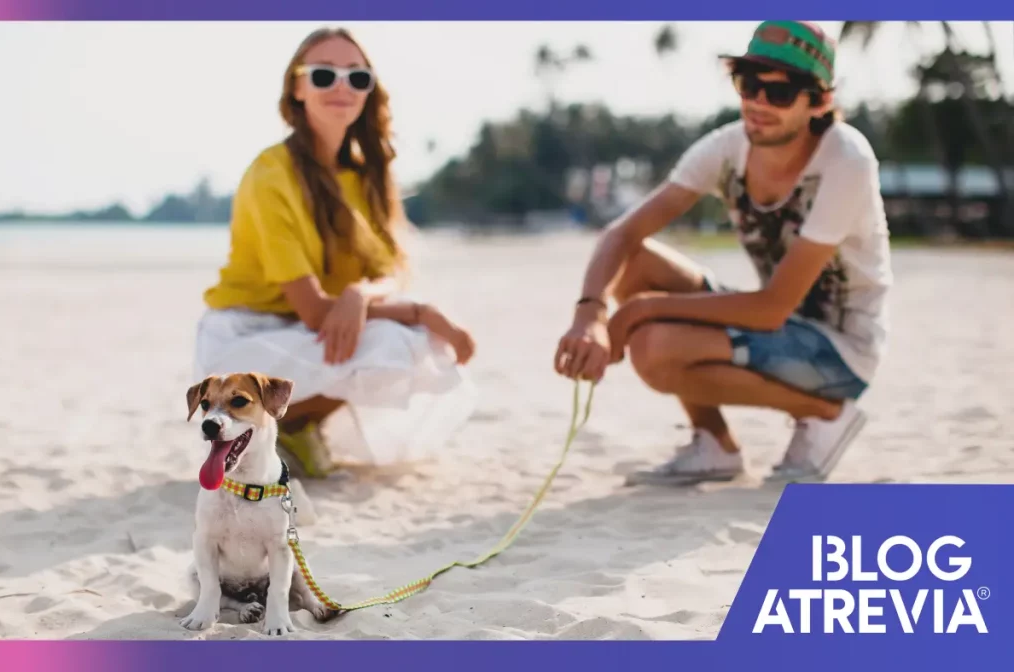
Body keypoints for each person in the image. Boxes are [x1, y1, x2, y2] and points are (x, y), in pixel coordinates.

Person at [553, 21, 892, 485]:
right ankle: (715, 445)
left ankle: (826, 412)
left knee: (653, 347)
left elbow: (771, 308)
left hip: (841, 350)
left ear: (819, 102)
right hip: (780, 322)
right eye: (749, 83)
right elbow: (622, 233)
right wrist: (589, 314)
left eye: (780, 92)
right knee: (636, 263)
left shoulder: (846, 159)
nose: (758, 103)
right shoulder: (727, 147)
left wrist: (638, 312)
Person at [193, 27, 477, 477]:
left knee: (412, 344)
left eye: (356, 76)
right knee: (406, 333)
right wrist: (421, 310)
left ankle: (297, 427)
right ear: (298, 88)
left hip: (314, 329)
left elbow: (389, 271)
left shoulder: (365, 175)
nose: (342, 86)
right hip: (245, 338)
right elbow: (313, 311)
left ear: (369, 91)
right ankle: (273, 425)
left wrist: (360, 294)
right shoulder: (270, 176)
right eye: (324, 75)